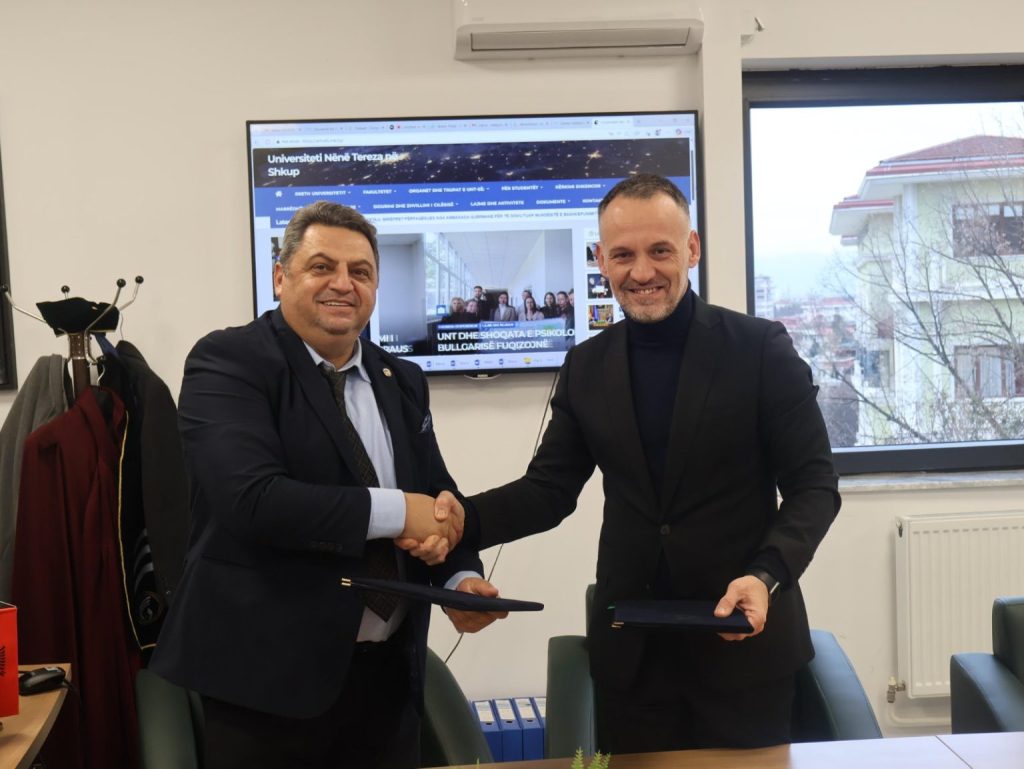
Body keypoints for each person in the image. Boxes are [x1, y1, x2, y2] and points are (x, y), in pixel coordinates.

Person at [443, 174, 840, 755]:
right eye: (624, 255)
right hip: (632, 657)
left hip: (743, 645)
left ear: (692, 249)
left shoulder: (760, 349)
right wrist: (459, 521)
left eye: (660, 250)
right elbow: (549, 490)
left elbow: (814, 486)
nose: (642, 271)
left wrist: (767, 574)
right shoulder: (586, 366)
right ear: (601, 259)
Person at [150, 201, 498, 769]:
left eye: (360, 271)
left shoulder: (402, 379)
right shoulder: (229, 361)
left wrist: (459, 576)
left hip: (388, 682)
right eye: (321, 267)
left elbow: (436, 494)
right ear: (280, 277)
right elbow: (253, 501)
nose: (343, 283)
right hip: (266, 686)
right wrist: (398, 512)